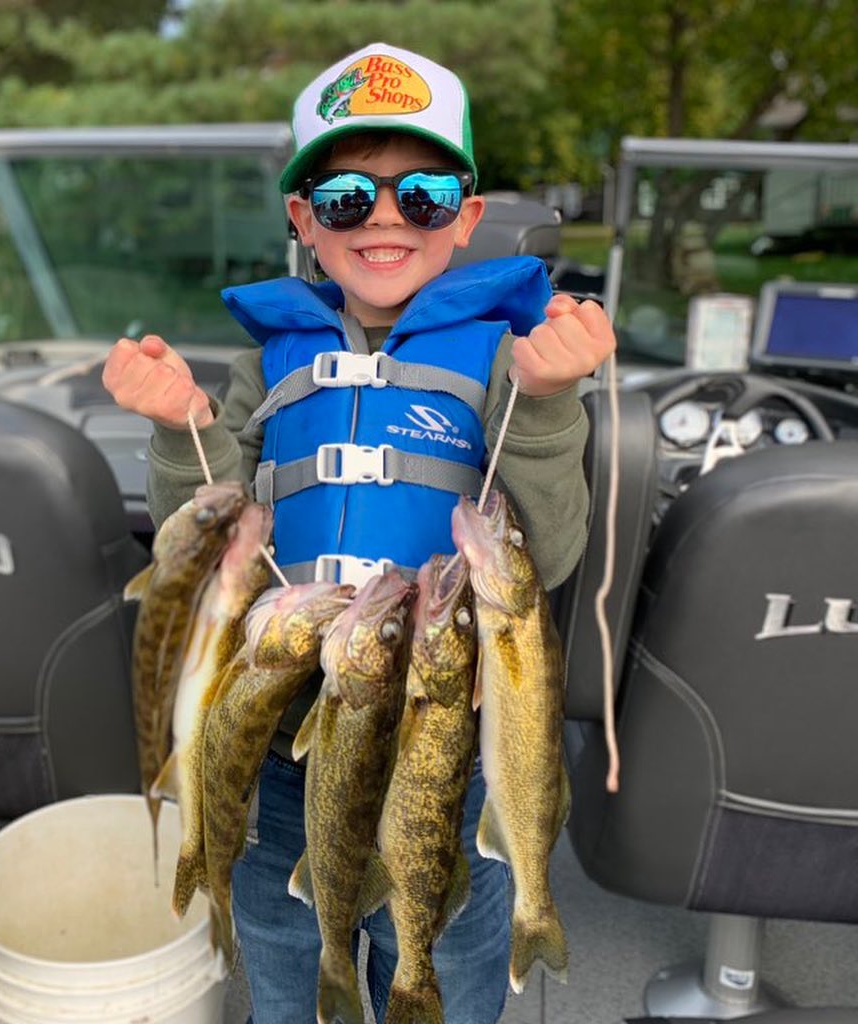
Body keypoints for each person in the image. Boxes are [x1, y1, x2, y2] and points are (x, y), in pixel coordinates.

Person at [103, 41, 615, 1024]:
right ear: (304, 218)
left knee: (448, 942)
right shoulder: (271, 365)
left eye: (420, 193)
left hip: (444, 737)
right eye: (346, 198)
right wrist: (182, 431)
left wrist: (550, 405)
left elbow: (544, 556)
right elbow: (202, 549)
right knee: (283, 931)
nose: (384, 218)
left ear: (466, 215)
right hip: (282, 727)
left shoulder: (514, 364)